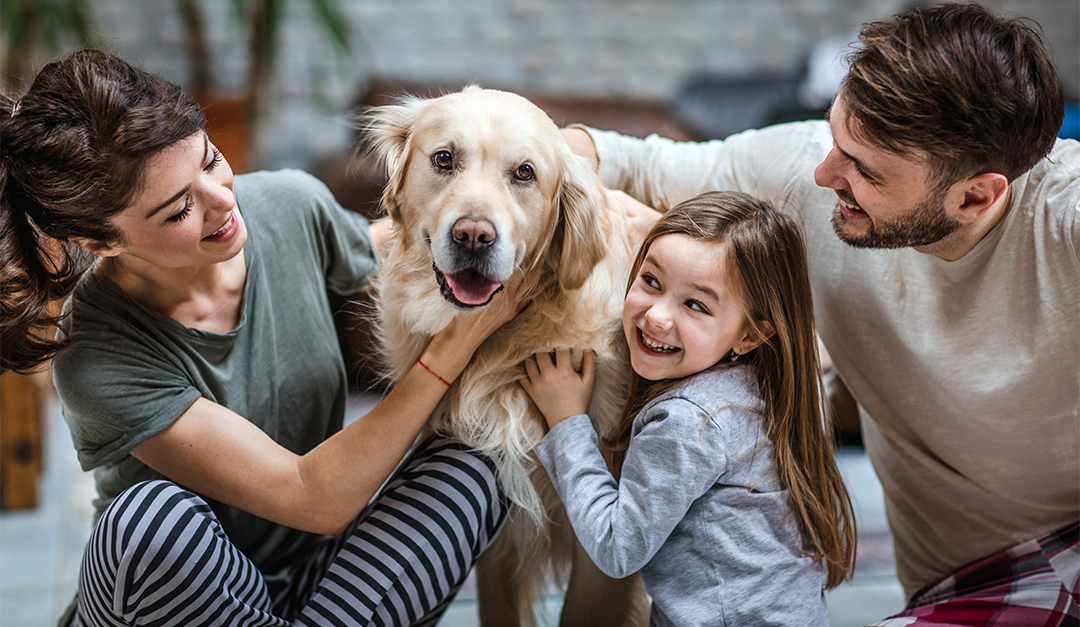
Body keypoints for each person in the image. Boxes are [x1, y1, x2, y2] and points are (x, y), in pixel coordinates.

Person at [560, 3, 1079, 625]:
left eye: (865, 171)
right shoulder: (811, 175)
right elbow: (620, 158)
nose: (824, 173)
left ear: (976, 195)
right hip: (964, 588)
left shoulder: (1062, 224)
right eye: (836, 138)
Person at [1, 49, 527, 626]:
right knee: (144, 522)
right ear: (101, 242)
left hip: (317, 590)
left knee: (481, 452)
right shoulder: (96, 355)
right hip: (177, 604)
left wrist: (572, 176)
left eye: (211, 160)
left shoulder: (287, 205)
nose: (224, 201)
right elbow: (313, 496)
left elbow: (396, 241)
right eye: (179, 210)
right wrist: (452, 348)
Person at [520, 191, 857, 626]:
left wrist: (566, 421)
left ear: (750, 336)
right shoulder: (770, 387)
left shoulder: (689, 422)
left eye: (695, 304)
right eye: (651, 281)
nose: (658, 317)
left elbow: (616, 547)